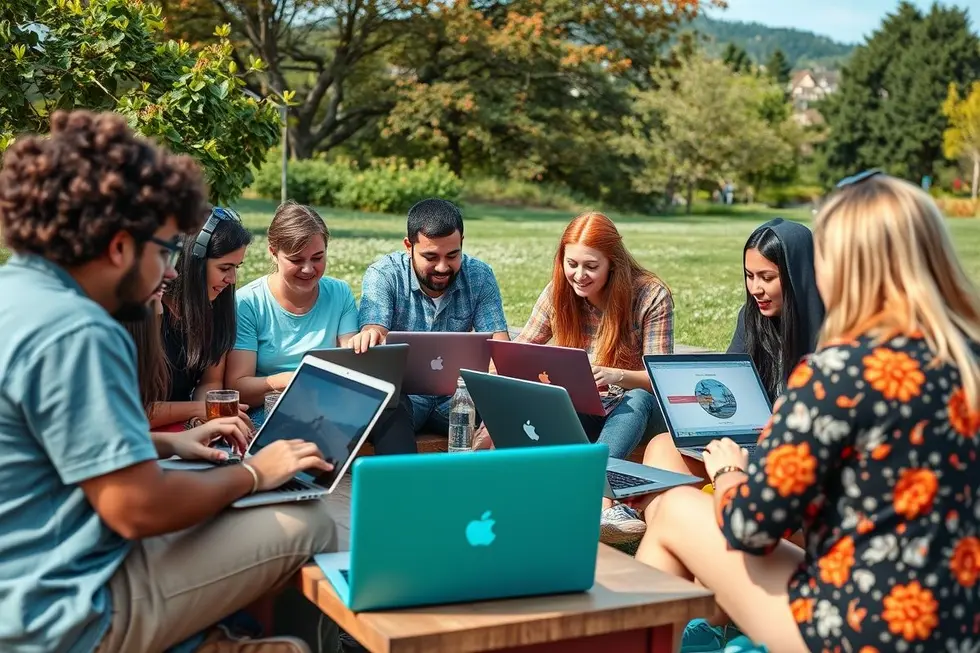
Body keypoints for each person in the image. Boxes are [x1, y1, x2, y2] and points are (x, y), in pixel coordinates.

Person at [0, 109, 336, 653]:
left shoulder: (18, 294)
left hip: (25, 580)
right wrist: (254, 473)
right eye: (163, 252)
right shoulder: (79, 330)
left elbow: (41, 447)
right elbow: (137, 509)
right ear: (118, 247)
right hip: (61, 616)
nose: (173, 272)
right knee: (310, 521)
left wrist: (162, 442)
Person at [634, 173, 980, 653]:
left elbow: (752, 528)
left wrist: (729, 471)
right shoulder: (968, 360)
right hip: (959, 624)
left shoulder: (838, 374)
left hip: (861, 626)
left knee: (673, 510)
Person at [472, 211, 674, 546]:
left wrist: (618, 375)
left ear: (614, 262)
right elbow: (514, 357)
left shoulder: (650, 296)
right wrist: (495, 410)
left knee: (636, 400)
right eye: (571, 264)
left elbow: (664, 379)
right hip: (583, 407)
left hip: (638, 409)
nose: (579, 276)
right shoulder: (558, 293)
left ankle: (603, 505)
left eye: (591, 266)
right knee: (539, 396)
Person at [641, 218, 825, 488]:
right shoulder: (752, 318)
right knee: (663, 447)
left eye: (767, 277)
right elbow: (729, 385)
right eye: (749, 276)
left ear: (797, 274)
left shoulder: (831, 333)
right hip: (748, 444)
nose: (755, 289)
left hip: (797, 456)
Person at [226, 201, 416, 454]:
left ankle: (401, 486)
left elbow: (350, 359)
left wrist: (364, 347)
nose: (308, 269)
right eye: (296, 260)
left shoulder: (338, 292)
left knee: (394, 405)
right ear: (273, 252)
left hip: (331, 403)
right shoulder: (249, 303)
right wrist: (295, 380)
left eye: (318, 258)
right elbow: (239, 387)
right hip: (276, 407)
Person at [350, 198, 510, 435]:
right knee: (389, 413)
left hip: (458, 395)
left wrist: (496, 406)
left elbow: (500, 348)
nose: (443, 267)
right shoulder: (384, 274)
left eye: (453, 255)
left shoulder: (479, 275)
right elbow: (374, 331)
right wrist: (371, 334)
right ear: (408, 246)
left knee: (511, 415)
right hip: (406, 398)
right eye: (431, 257)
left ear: (462, 243)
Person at [153, 207, 253, 429]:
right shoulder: (151, 309)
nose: (232, 279)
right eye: (225, 268)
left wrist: (201, 422)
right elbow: (136, 411)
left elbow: (210, 382)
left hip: (181, 429)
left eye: (236, 267)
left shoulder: (217, 307)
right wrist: (200, 410)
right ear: (193, 263)